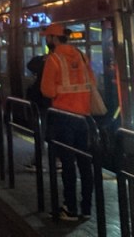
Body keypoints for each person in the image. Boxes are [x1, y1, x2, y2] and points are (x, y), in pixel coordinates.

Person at [40, 22, 99, 222]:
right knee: (85, 164)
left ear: (53, 38)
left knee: (67, 164)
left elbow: (47, 91)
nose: (47, 41)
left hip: (63, 117)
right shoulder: (81, 56)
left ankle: (70, 208)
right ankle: (87, 208)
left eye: (48, 38)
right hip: (84, 118)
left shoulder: (53, 59)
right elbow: (92, 83)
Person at [25, 52, 50, 170]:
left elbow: (31, 65)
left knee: (40, 132)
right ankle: (57, 161)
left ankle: (38, 162)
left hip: (43, 103)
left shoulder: (47, 61)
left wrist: (43, 58)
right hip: (55, 103)